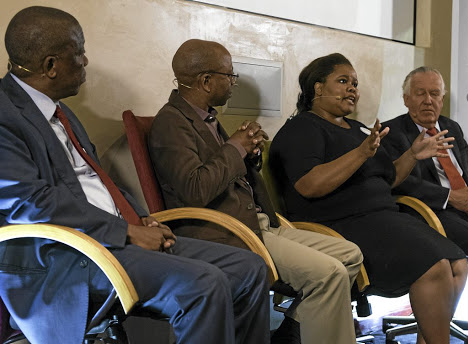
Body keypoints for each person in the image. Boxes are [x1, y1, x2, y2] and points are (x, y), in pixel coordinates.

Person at [0, 7, 270, 344]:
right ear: (51, 65)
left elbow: (100, 182)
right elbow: (29, 202)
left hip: (113, 235)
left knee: (250, 268)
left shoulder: (61, 111)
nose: (86, 62)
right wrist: (124, 231)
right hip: (65, 255)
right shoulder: (5, 115)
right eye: (79, 52)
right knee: (206, 283)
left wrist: (141, 219)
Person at [148, 39, 363, 344]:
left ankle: (292, 332)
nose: (233, 82)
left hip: (259, 222)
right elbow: (195, 190)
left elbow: (225, 172)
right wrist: (235, 147)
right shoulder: (171, 122)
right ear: (206, 81)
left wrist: (249, 154)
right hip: (227, 231)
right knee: (329, 274)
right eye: (229, 76)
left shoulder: (206, 117)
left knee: (350, 254)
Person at [269, 53, 468, 344]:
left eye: (355, 83)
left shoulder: (358, 128)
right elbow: (310, 185)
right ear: (318, 88)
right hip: (340, 225)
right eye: (343, 81)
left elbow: (389, 178)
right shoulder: (302, 128)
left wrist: (413, 154)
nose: (353, 88)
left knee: (458, 264)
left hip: (385, 217)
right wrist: (361, 153)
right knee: (436, 267)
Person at [382, 66, 468, 327]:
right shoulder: (392, 133)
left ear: (442, 99)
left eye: (434, 94)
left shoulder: (451, 126)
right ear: (406, 98)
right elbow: (399, 183)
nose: (428, 100)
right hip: (434, 214)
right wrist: (451, 197)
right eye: (420, 93)